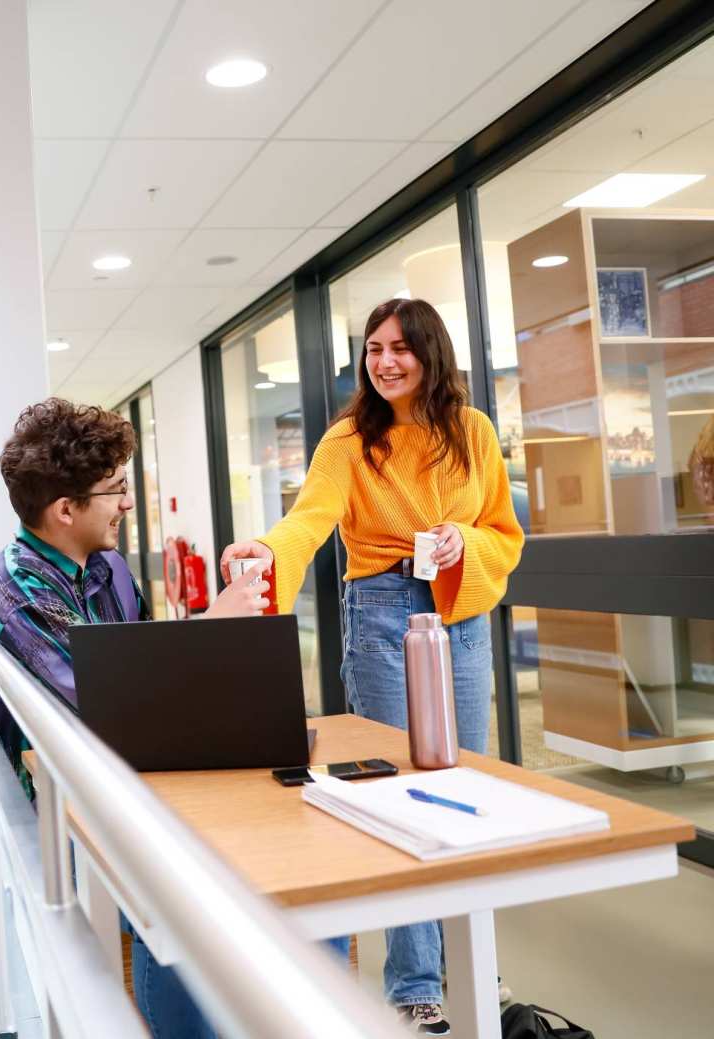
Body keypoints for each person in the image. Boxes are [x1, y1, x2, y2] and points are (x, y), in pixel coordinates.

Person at [220, 298, 524, 1036]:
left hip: (460, 610)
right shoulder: (350, 438)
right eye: (374, 349)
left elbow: (503, 530)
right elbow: (310, 518)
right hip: (382, 611)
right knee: (399, 792)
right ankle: (414, 982)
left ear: (429, 352)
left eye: (399, 348)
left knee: (463, 784)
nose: (384, 362)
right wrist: (267, 550)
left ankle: (470, 957)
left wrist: (464, 542)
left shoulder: (474, 432)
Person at [0, 397, 277, 1039]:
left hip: (130, 762)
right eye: (115, 490)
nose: (128, 503)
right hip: (75, 795)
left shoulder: (106, 567)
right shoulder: (17, 590)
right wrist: (208, 630)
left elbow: (145, 667)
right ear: (65, 510)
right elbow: (104, 703)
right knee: (182, 893)